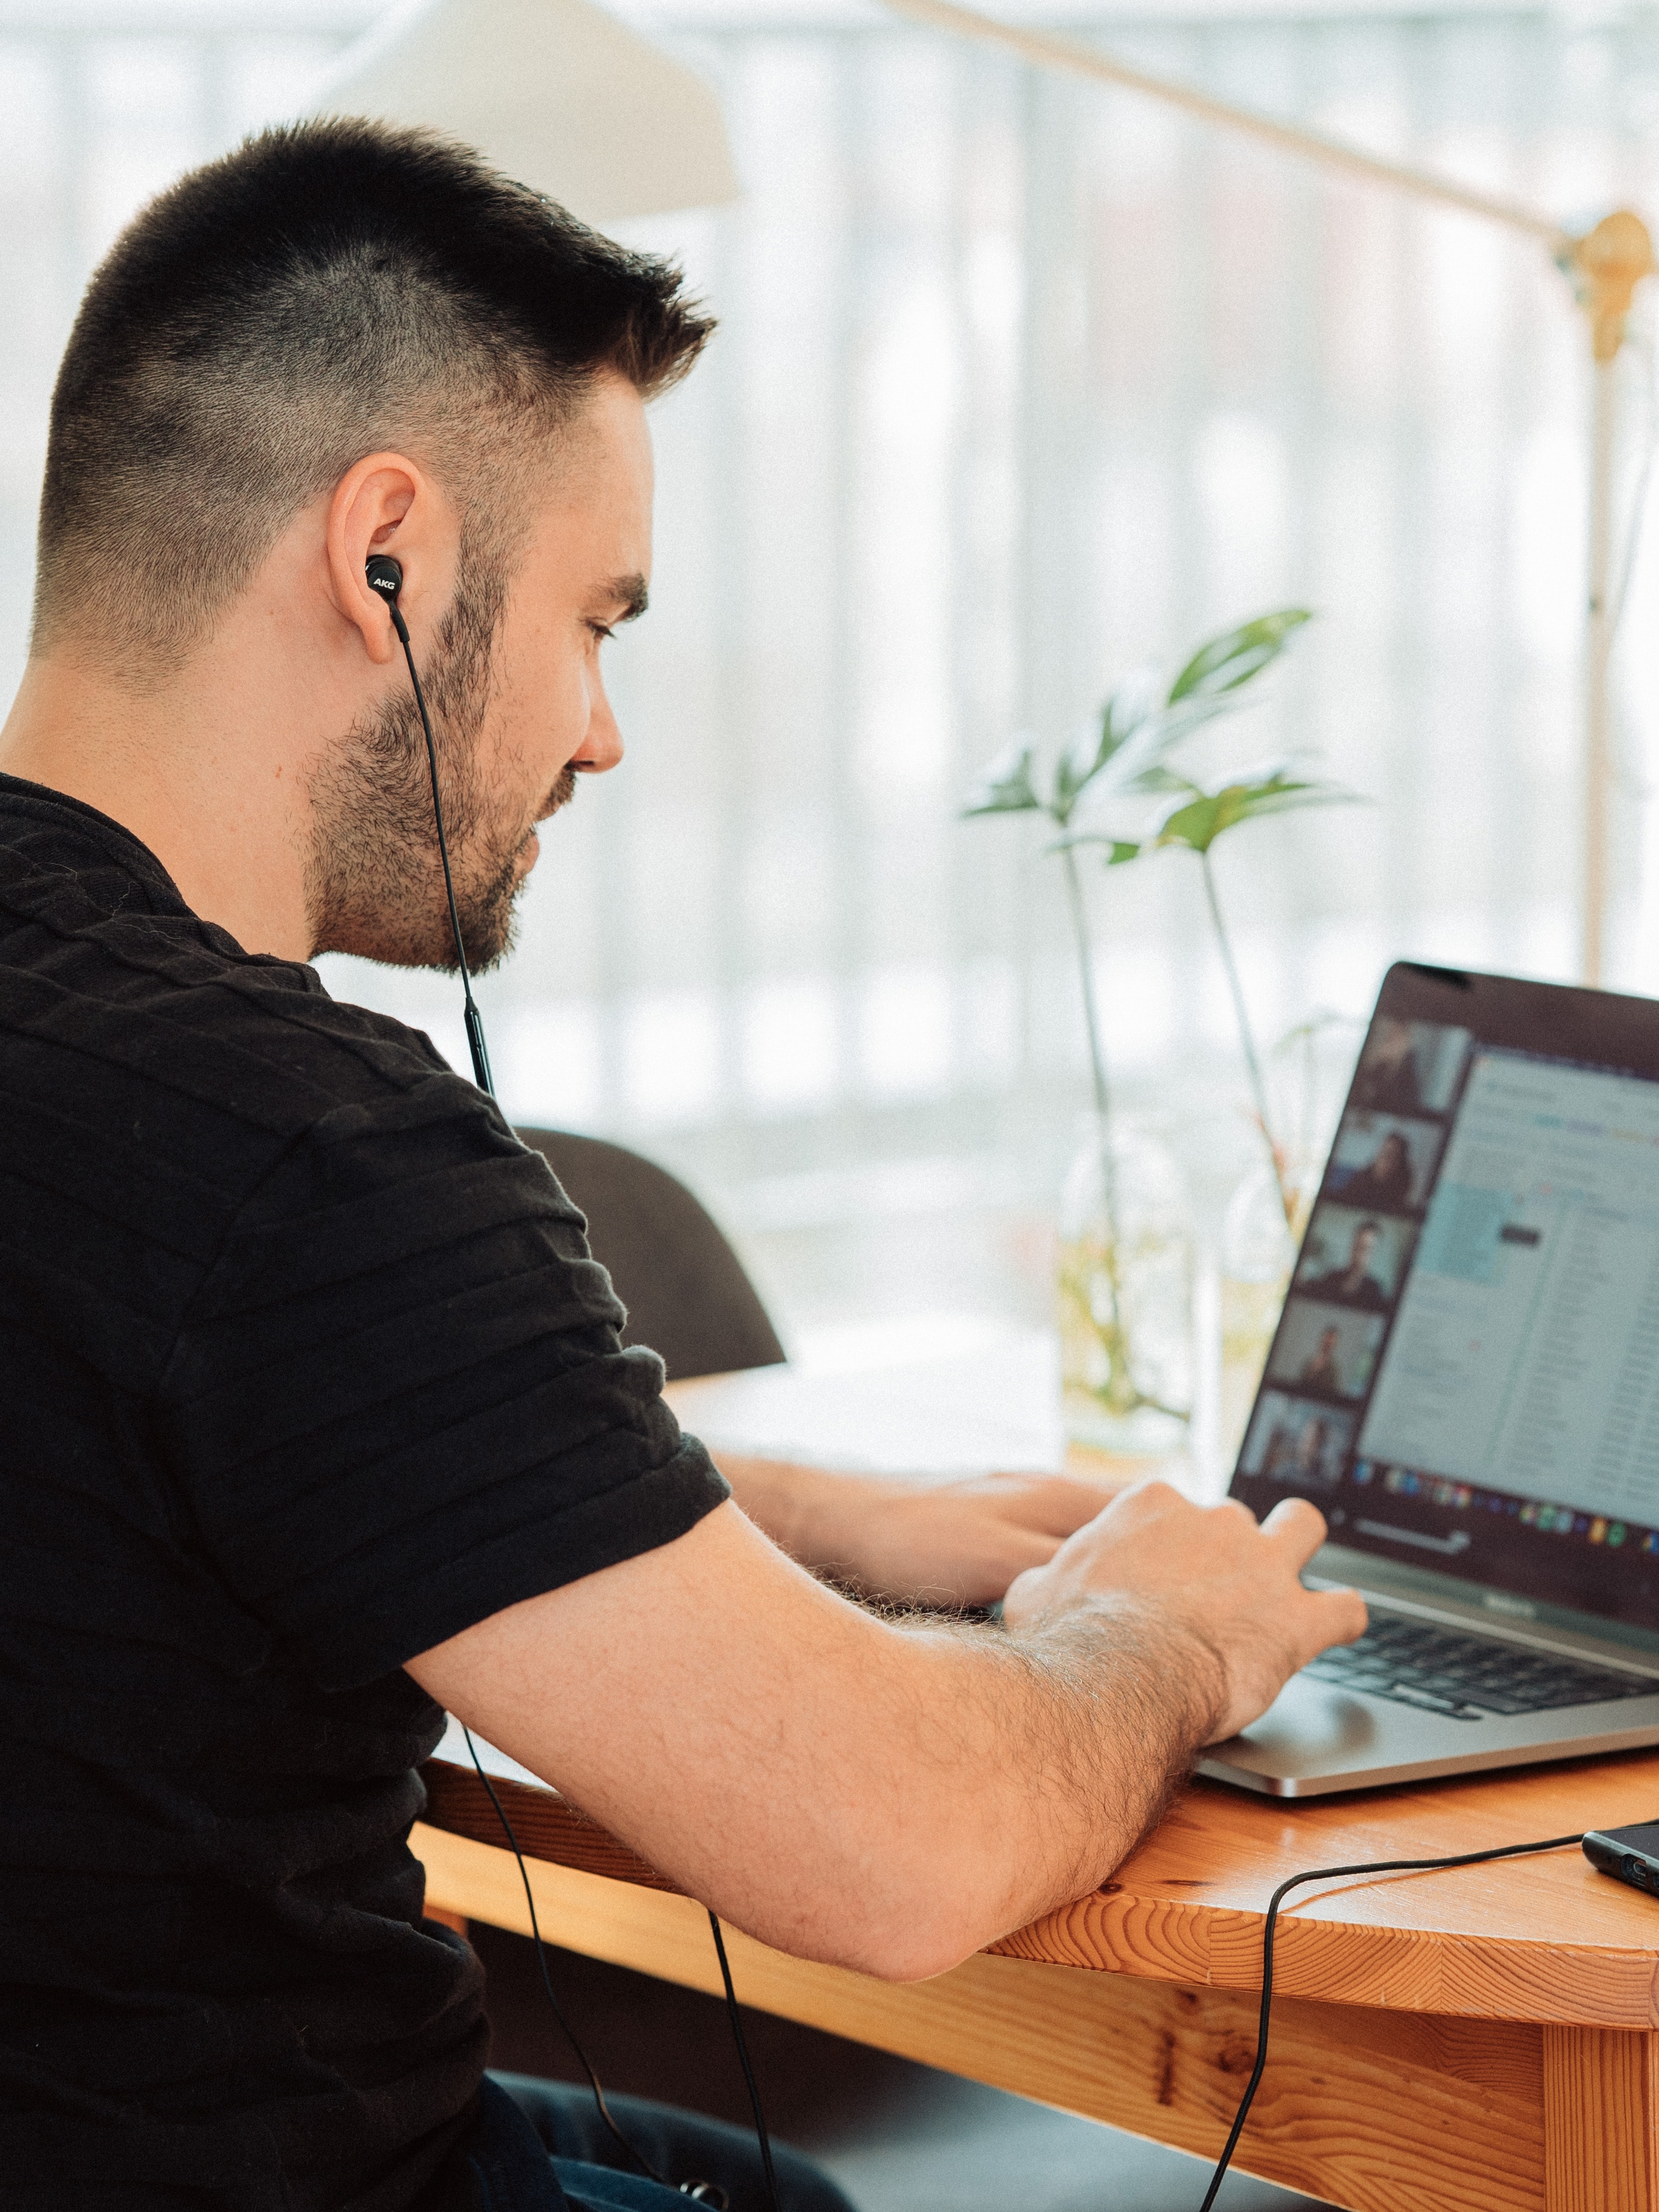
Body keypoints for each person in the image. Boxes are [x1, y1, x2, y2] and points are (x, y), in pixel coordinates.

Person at [0, 121, 1365, 2212]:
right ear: (394, 554)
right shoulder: (300, 1139)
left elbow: (130, 1458)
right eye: (598, 618)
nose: (602, 730)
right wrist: (1159, 1632)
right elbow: (891, 1856)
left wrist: (768, 1512)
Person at [1302, 1218, 1392, 1310]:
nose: (1358, 1255)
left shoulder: (1375, 1292)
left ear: (1375, 1254)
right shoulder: (1332, 1278)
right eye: (1356, 1247)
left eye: (1366, 1249)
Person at [1339, 1127, 1414, 1211]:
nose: (1388, 1160)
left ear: (1401, 1163)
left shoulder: (1401, 1187)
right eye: (1386, 1154)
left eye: (1395, 1157)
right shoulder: (1360, 1180)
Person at [1297, 1324, 1345, 1396]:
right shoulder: (1309, 1363)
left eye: (1330, 1344)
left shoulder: (1333, 1370)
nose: (1327, 1346)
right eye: (1326, 1342)